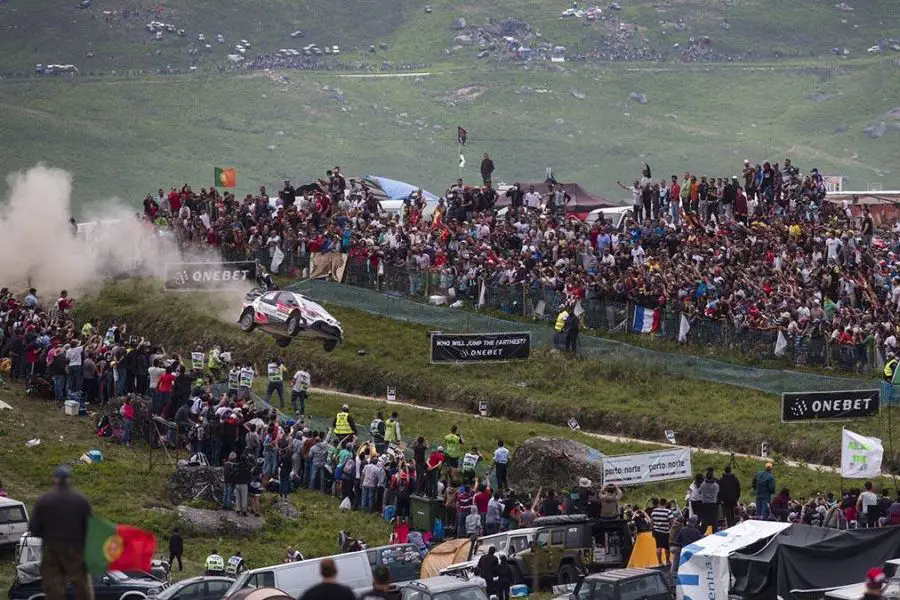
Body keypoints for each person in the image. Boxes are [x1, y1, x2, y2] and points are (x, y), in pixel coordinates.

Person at [29, 465, 92, 600]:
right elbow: (89, 527)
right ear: (70, 480)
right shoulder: (81, 500)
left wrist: (46, 535)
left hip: (51, 548)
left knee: (53, 586)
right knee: (81, 584)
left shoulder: (44, 500)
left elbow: (34, 528)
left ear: (55, 480)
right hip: (75, 548)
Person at [650, 498, 672, 567]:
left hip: (656, 531)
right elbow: (672, 521)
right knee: (667, 547)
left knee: (658, 546)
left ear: (659, 503)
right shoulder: (668, 511)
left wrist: (653, 528)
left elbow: (652, 521)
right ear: (665, 503)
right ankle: (668, 561)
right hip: (665, 531)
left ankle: (659, 562)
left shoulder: (654, 511)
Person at [698, 467, 719, 533]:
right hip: (713, 504)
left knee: (705, 521)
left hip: (705, 505)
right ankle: (715, 534)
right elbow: (717, 493)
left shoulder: (703, 485)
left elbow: (699, 492)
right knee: (714, 522)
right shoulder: (716, 485)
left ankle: (701, 534)